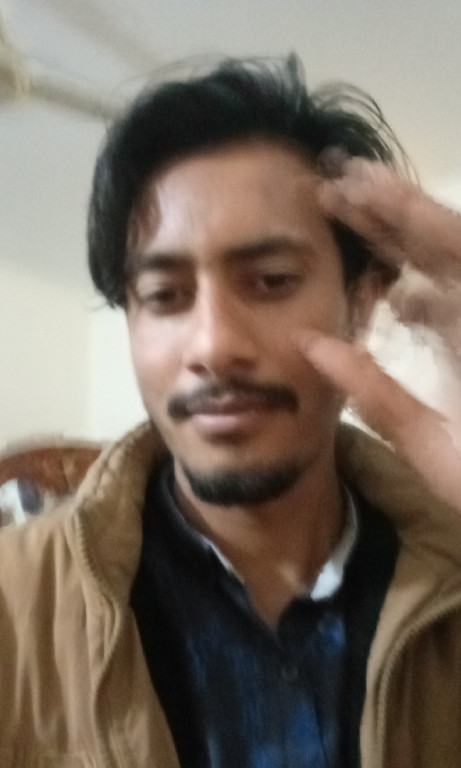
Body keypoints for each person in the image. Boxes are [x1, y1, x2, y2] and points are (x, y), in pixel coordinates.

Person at [1, 55, 461, 768]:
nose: (213, 346)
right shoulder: (14, 603)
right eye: (164, 296)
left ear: (361, 303)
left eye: (270, 281)